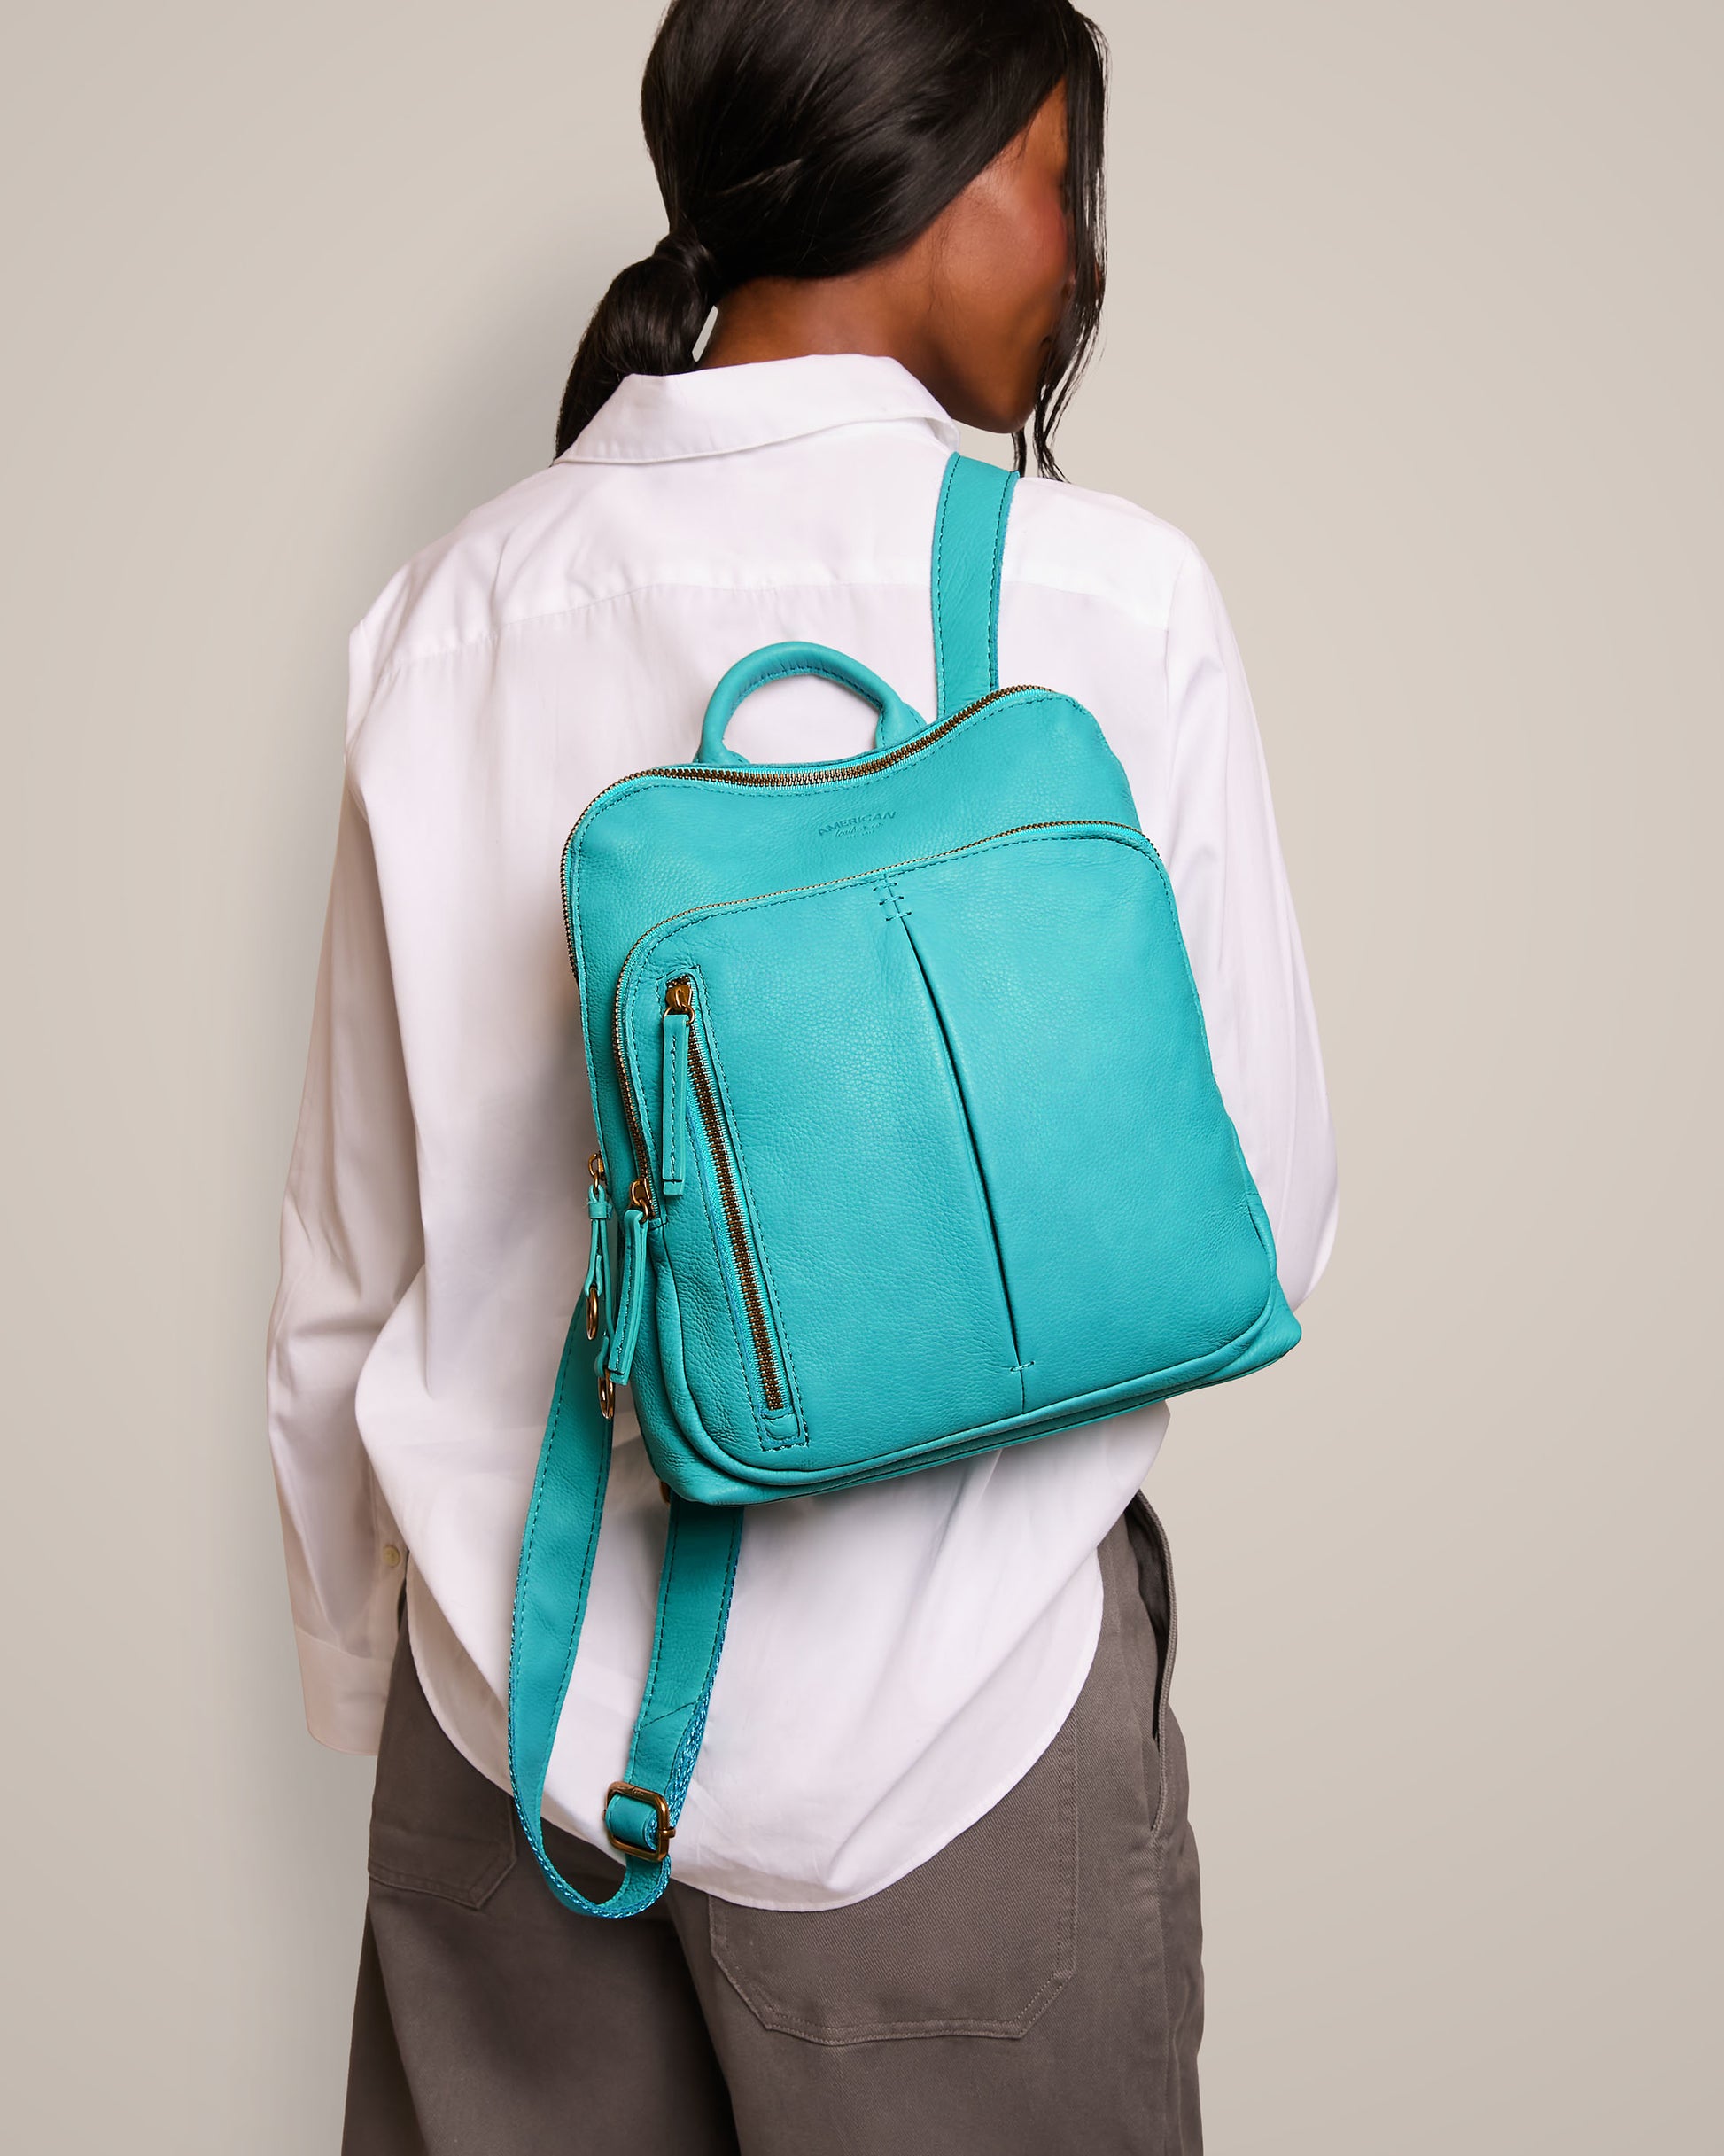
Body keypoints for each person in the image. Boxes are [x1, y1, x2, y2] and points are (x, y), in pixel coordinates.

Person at [266, 1, 1338, 2148]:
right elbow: (1265, 1205)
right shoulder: (1102, 595)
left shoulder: (445, 611)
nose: (1078, 262)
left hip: (510, 1744)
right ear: (942, 179)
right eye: (1063, 186)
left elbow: (341, 1282)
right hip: (963, 1734)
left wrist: (395, 1709)